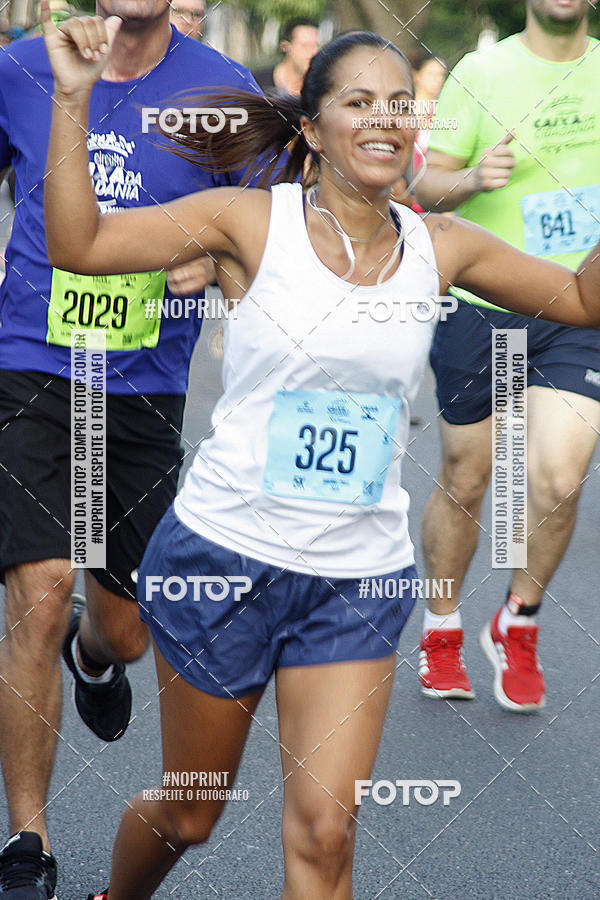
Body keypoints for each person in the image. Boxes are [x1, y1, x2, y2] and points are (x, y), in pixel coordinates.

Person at [41, 11, 600, 898]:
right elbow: (84, 246)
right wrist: (73, 101)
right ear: (312, 128)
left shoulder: (438, 246)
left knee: (326, 832)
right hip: (224, 561)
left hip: (359, 577)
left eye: (399, 103)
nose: (385, 117)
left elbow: (579, 297)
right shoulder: (249, 223)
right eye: (357, 101)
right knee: (193, 813)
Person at [0, 0, 259, 896]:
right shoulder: (23, 66)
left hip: (145, 382)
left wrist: (212, 260)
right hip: (30, 364)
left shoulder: (224, 93)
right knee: (39, 594)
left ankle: (94, 653)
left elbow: (268, 228)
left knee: (128, 631)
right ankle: (26, 847)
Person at [414, 0, 600, 712]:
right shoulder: (480, 70)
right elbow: (424, 183)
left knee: (558, 473)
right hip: (486, 301)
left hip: (578, 305)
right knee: (468, 475)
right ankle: (441, 626)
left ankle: (517, 621)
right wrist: (470, 178)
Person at [254, 17, 319, 95]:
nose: (313, 52)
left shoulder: (321, 88)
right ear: (285, 47)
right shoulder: (257, 83)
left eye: (316, 46)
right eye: (305, 46)